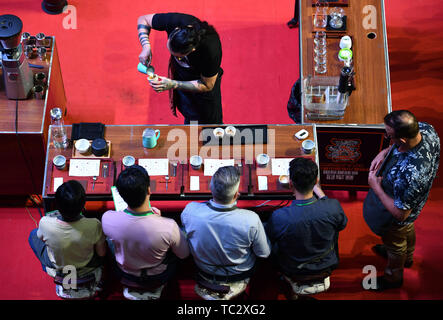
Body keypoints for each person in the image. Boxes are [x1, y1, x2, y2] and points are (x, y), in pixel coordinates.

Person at [363, 110, 440, 291]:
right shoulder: (426, 129)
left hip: (398, 212)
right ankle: (408, 257)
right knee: (407, 230)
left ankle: (393, 276)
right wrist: (385, 152)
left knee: (396, 241)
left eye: (389, 136)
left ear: (403, 139)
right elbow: (396, 146)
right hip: (412, 199)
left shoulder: (411, 175)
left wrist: (376, 187)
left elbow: (400, 214)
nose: (387, 137)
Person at [181, 166, 270, 298]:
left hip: (204, 271)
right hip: (238, 275)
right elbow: (264, 254)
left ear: (210, 189)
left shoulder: (190, 211)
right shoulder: (251, 219)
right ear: (236, 195)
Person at [265, 158, 347, 295]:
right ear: (316, 182)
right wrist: (320, 193)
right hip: (326, 263)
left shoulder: (280, 216)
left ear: (291, 184)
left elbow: (271, 237)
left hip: (293, 268)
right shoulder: (333, 207)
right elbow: (341, 224)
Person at [102, 165, 189, 290]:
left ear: (120, 196)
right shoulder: (169, 226)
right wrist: (159, 220)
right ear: (149, 190)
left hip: (124, 272)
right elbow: (184, 254)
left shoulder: (107, 218)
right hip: (158, 275)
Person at [137, 12, 223, 124]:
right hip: (181, 76)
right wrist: (146, 46)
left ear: (191, 51)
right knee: (186, 110)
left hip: (202, 86)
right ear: (176, 30)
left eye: (177, 56)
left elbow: (207, 85)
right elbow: (143, 19)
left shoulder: (210, 50)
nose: (174, 57)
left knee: (208, 122)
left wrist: (173, 84)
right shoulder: (176, 21)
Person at [28, 180, 107, 279]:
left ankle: (54, 271)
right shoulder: (94, 224)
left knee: (33, 234)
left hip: (58, 264)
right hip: (86, 264)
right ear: (83, 205)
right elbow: (101, 253)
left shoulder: (44, 222)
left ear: (57, 205)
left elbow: (41, 239)